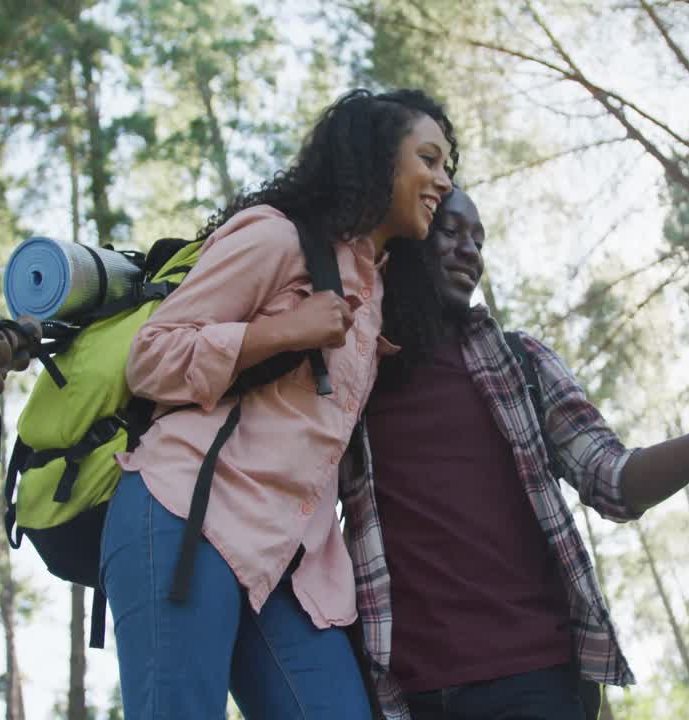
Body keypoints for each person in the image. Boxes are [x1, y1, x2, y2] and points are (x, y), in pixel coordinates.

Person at [341, 188, 689, 720]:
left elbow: (612, 477)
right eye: (450, 231)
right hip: (407, 698)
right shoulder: (350, 375)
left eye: (478, 239)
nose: (471, 249)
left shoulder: (521, 361)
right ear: (404, 235)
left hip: (538, 686)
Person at [101, 88, 457, 720]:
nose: (443, 178)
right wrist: (280, 332)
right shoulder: (277, 237)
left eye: (448, 165)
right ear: (379, 157)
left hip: (294, 568)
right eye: (428, 158)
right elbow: (149, 358)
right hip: (189, 515)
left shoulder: (380, 301)